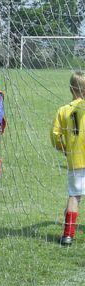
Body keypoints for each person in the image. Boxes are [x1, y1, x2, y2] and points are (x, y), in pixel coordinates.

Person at [51, 71, 85, 246]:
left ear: (71, 88)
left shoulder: (63, 110)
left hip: (76, 160)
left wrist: (63, 147)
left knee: (74, 196)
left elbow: (54, 135)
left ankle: (68, 235)